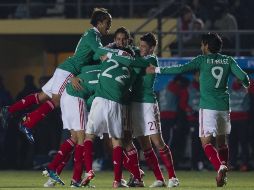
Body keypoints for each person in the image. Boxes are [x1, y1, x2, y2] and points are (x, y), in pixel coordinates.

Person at [146, 32, 250, 187]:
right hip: (223, 107)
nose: (201, 47)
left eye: (202, 44)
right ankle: (224, 166)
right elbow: (243, 77)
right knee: (222, 143)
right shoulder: (228, 60)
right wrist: (246, 85)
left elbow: (180, 69)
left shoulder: (202, 60)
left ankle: (219, 167)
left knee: (206, 142)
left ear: (207, 45)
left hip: (208, 107)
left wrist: (157, 70)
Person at [0, 7, 114, 143]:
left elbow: (95, 55)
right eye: (108, 22)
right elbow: (100, 52)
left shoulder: (93, 36)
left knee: (42, 97)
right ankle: (27, 122)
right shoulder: (93, 35)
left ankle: (10, 110)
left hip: (65, 68)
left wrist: (109, 48)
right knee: (56, 100)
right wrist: (115, 53)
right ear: (100, 22)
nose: (109, 26)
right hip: (69, 71)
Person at [43, 64, 101, 187]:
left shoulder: (86, 66)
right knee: (82, 140)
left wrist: (71, 77)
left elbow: (71, 73)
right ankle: (75, 179)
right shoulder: (102, 70)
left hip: (69, 98)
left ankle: (53, 171)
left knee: (73, 140)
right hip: (75, 99)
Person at [229, 77, 250, 171]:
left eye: (240, 79)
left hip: (243, 120)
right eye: (237, 78)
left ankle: (245, 164)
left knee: (244, 142)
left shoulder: (246, 90)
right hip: (231, 121)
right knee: (232, 143)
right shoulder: (228, 91)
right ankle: (233, 164)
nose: (238, 80)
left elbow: (248, 106)